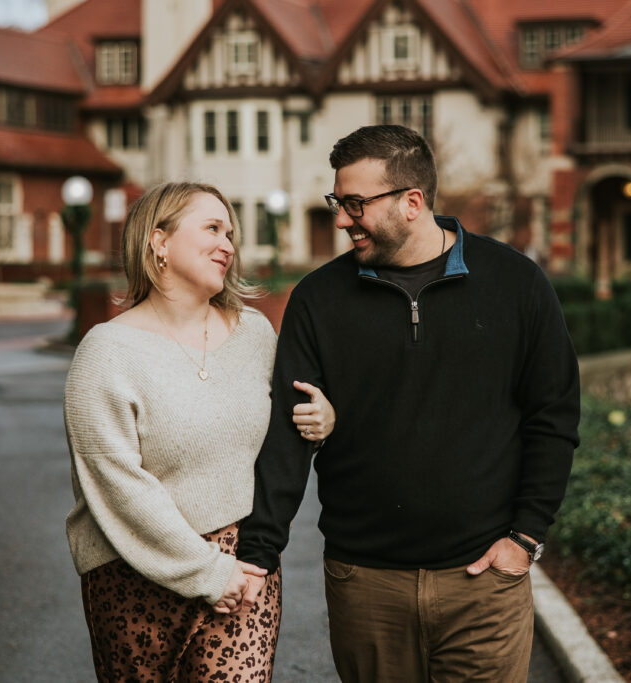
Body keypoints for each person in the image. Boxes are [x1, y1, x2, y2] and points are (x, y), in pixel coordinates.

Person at [237, 125, 581, 682]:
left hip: (483, 585)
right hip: (364, 583)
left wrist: (525, 537)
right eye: (337, 202)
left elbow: (554, 416)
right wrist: (259, 552)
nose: (343, 219)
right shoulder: (318, 300)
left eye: (355, 204)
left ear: (412, 203)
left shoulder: (515, 283)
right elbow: (287, 432)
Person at [63, 181, 335, 682]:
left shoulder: (254, 334)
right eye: (212, 228)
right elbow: (114, 480)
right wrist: (207, 571)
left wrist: (323, 419)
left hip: (243, 572)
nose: (228, 244)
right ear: (159, 242)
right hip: (133, 574)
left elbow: (282, 434)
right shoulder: (105, 351)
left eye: (231, 233)